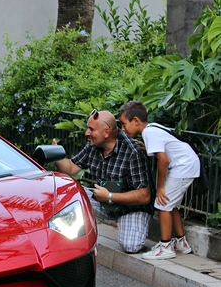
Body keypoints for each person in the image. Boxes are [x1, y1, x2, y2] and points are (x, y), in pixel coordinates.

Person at [53, 109, 154, 253]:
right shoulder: (93, 145)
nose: (86, 133)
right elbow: (69, 168)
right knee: (67, 191)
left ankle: (133, 225)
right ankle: (67, 232)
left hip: (130, 208)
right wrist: (56, 154)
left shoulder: (133, 152)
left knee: (131, 246)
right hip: (103, 201)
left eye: (91, 129)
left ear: (106, 132)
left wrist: (110, 196)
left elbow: (145, 196)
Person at [118, 100, 199, 260]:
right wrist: (147, 147)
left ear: (135, 121)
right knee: (171, 204)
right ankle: (181, 243)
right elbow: (166, 147)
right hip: (187, 164)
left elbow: (163, 160)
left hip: (183, 166)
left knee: (162, 203)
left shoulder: (149, 132)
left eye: (124, 124)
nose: (123, 129)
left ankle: (166, 247)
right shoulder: (151, 129)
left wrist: (160, 187)